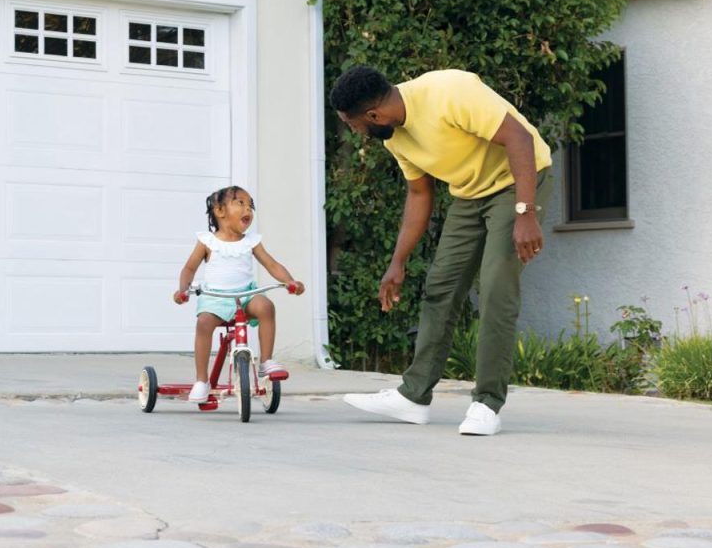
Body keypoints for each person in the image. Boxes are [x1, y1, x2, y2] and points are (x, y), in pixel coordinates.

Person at [330, 66, 552, 436]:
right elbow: (419, 194)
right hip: (469, 193)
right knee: (441, 288)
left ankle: (487, 403)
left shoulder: (449, 91)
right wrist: (397, 262)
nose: (359, 134)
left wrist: (526, 212)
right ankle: (413, 396)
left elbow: (519, 138)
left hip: (519, 181)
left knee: (497, 286)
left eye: (354, 126)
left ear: (373, 115)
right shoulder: (394, 137)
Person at [173, 185, 304, 402]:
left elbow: (272, 264)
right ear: (220, 211)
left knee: (266, 306)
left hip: (245, 296)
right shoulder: (207, 241)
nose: (248, 209)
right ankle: (201, 380)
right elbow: (189, 268)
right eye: (240, 203)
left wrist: (289, 281)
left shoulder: (251, 241)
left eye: (250, 205)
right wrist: (183, 290)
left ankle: (266, 362)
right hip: (215, 298)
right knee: (204, 323)